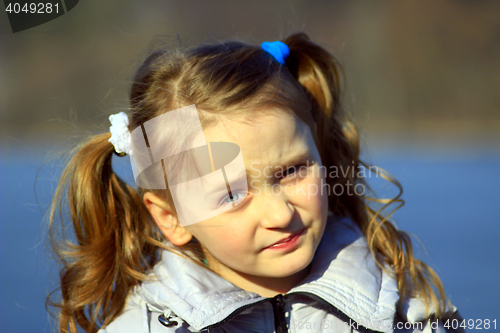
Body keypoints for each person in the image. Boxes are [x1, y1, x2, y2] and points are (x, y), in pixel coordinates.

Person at [47, 32, 464, 333]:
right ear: (171, 217)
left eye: (292, 171)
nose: (280, 213)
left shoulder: (408, 314)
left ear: (320, 151)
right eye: (231, 194)